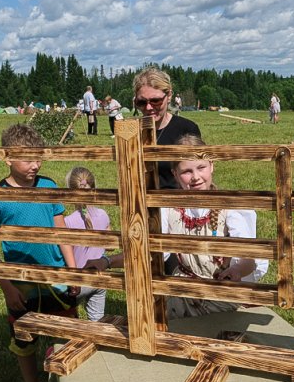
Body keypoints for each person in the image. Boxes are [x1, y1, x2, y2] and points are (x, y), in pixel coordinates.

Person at [86, 134, 268, 320]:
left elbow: (249, 259)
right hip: (181, 297)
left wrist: (236, 271)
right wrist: (107, 262)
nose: (195, 177)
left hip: (221, 298)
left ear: (212, 165)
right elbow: (148, 253)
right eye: (186, 171)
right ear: (174, 174)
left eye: (201, 168)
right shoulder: (168, 209)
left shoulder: (231, 208)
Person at [0, 123, 80, 382]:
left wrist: (73, 272)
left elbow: (63, 233)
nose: (35, 165)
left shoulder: (49, 188)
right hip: (21, 286)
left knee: (67, 334)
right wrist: (7, 289)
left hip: (56, 280)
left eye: (39, 158)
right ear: (7, 157)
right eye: (27, 158)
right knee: (25, 342)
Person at [133, 67, 201, 189]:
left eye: (156, 101)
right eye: (142, 102)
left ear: (169, 95)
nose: (148, 107)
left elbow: (198, 174)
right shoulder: (131, 132)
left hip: (178, 203)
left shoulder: (187, 129)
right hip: (141, 204)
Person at [63, 167, 109, 321]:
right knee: (97, 323)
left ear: (70, 192)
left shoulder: (67, 222)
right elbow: (110, 245)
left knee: (67, 323)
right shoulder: (103, 215)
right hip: (99, 278)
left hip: (76, 283)